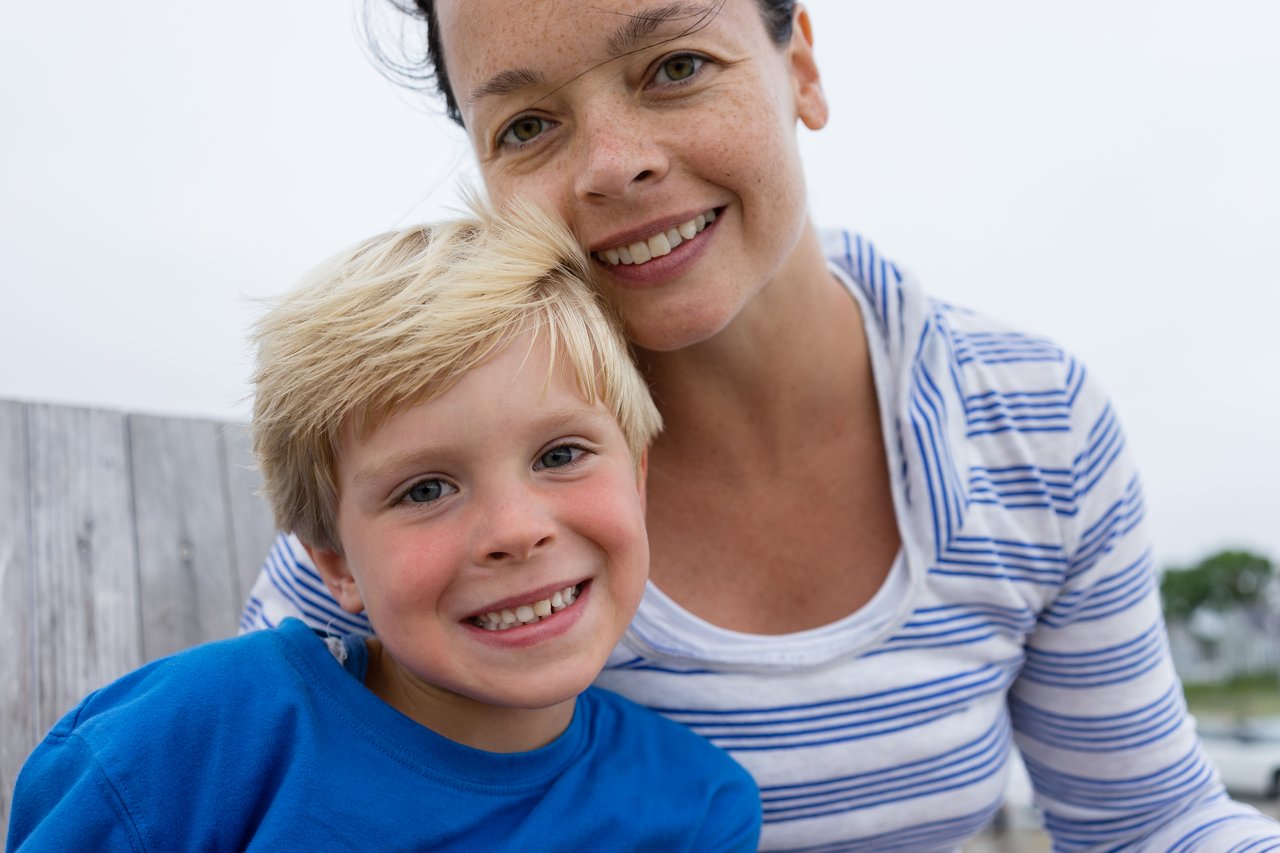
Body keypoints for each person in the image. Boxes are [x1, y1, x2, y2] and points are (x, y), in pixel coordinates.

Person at [240, 0, 1280, 848]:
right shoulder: (420, 499)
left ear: (801, 70)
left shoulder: (1030, 423)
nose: (610, 162)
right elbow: (233, 791)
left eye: (674, 67)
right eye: (525, 125)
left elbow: (1151, 823)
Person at [6, 202, 762, 852]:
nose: (515, 529)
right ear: (335, 562)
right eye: (426, 488)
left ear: (635, 476)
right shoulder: (179, 749)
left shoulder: (696, 809)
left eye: (560, 454)